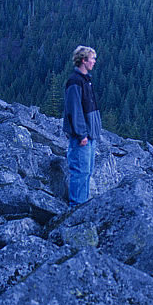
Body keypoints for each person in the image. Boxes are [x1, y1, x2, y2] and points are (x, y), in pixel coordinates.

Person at [62, 45, 101, 206]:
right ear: (83, 60)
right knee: (80, 172)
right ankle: (75, 208)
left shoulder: (86, 80)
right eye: (92, 59)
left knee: (87, 172)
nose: (94, 62)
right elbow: (75, 110)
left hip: (89, 135)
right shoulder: (75, 81)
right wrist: (81, 134)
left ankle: (81, 206)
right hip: (82, 137)